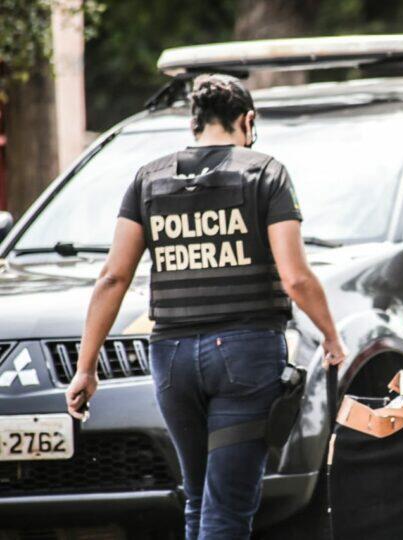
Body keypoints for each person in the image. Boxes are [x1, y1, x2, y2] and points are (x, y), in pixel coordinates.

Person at [64, 74, 346, 539]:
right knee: (228, 508)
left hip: (171, 357)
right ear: (247, 121)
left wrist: (85, 367)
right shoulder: (265, 172)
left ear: (193, 123)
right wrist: (332, 338)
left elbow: (113, 276)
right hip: (245, 354)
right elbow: (295, 277)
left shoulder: (148, 178)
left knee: (199, 498)